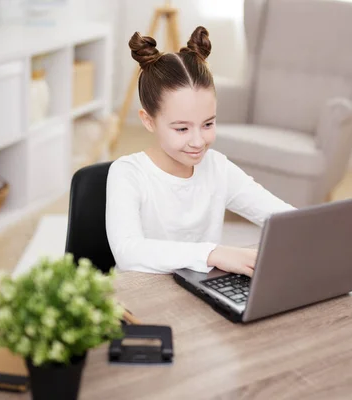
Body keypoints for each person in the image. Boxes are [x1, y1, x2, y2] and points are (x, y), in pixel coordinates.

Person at [105, 26, 295, 278]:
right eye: (182, 128)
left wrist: (337, 228)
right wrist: (211, 254)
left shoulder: (217, 167)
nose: (198, 141)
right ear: (148, 120)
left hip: (199, 292)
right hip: (143, 296)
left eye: (208, 124)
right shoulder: (127, 174)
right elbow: (128, 252)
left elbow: (281, 217)